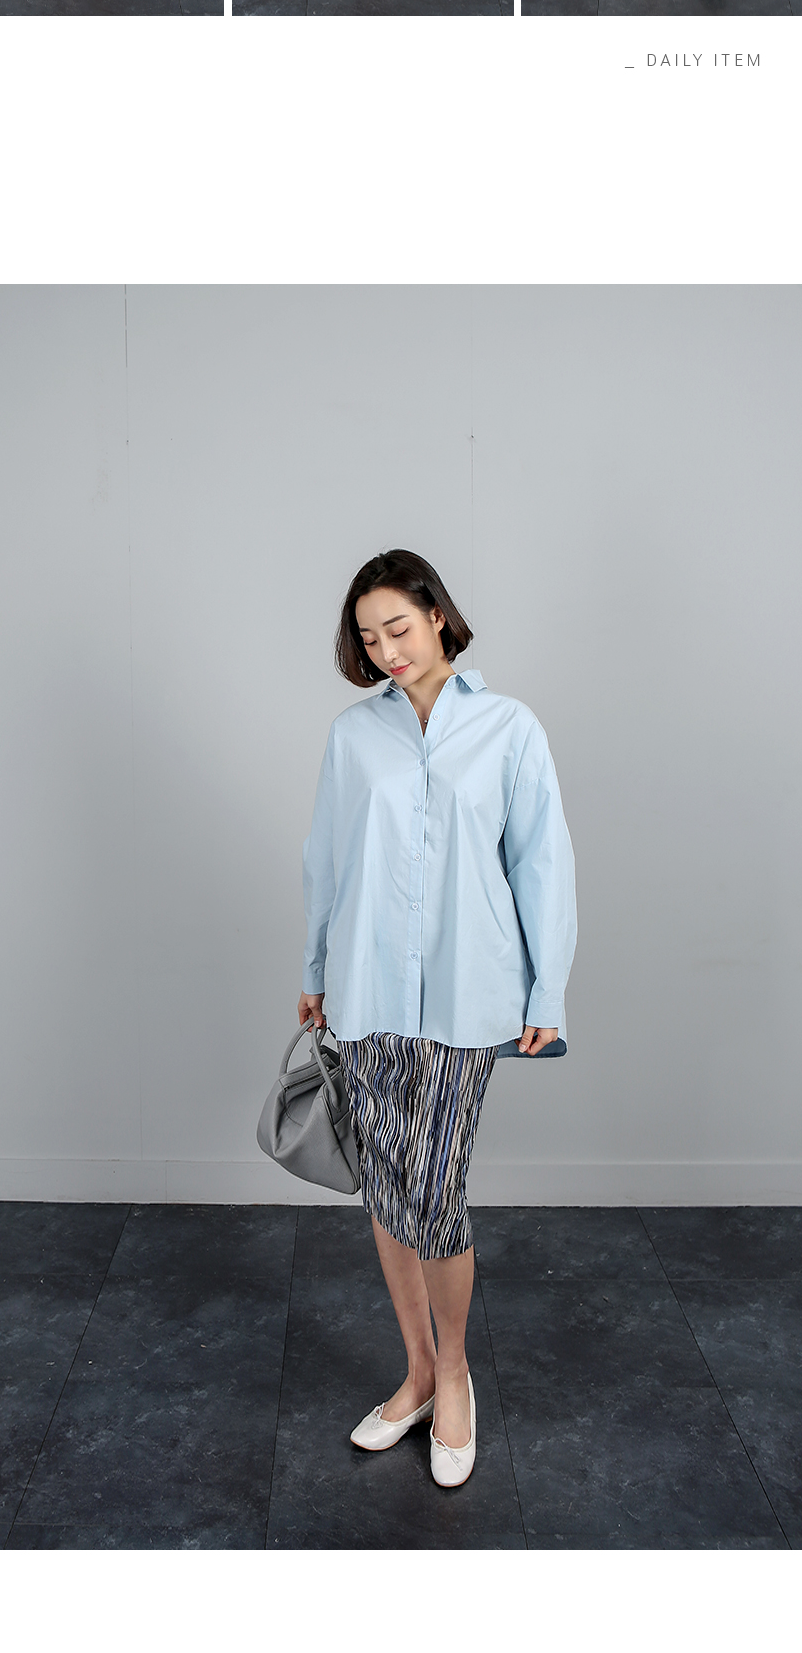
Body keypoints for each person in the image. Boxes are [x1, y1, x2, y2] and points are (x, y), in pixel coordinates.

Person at [299, 547, 575, 1489]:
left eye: (399, 628)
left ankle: (454, 1372)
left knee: (436, 1186)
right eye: (369, 637)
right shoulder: (354, 735)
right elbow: (328, 858)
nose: (387, 650)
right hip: (367, 988)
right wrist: (315, 968)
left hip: (470, 990)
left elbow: (542, 861)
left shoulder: (509, 726)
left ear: (439, 616)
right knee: (387, 1184)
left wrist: (547, 989)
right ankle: (416, 1371)